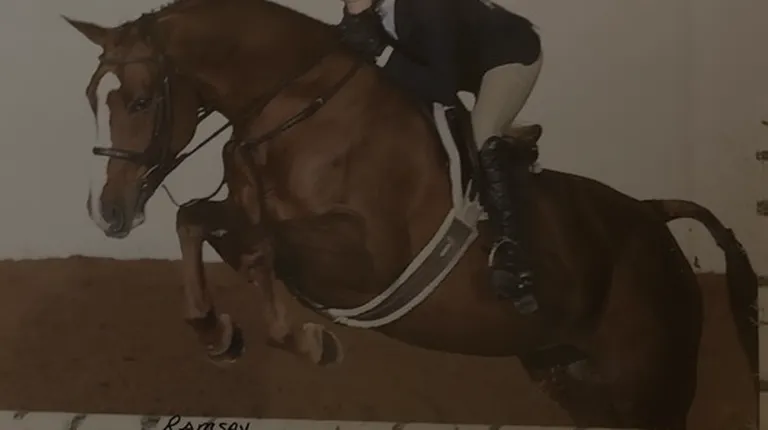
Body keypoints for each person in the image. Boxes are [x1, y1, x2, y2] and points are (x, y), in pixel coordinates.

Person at [337, 0, 543, 314]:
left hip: (509, 55)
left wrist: (381, 52)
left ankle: (513, 253)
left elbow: (443, 90)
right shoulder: (367, 11)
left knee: (482, 134)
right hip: (462, 63)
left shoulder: (428, 6)